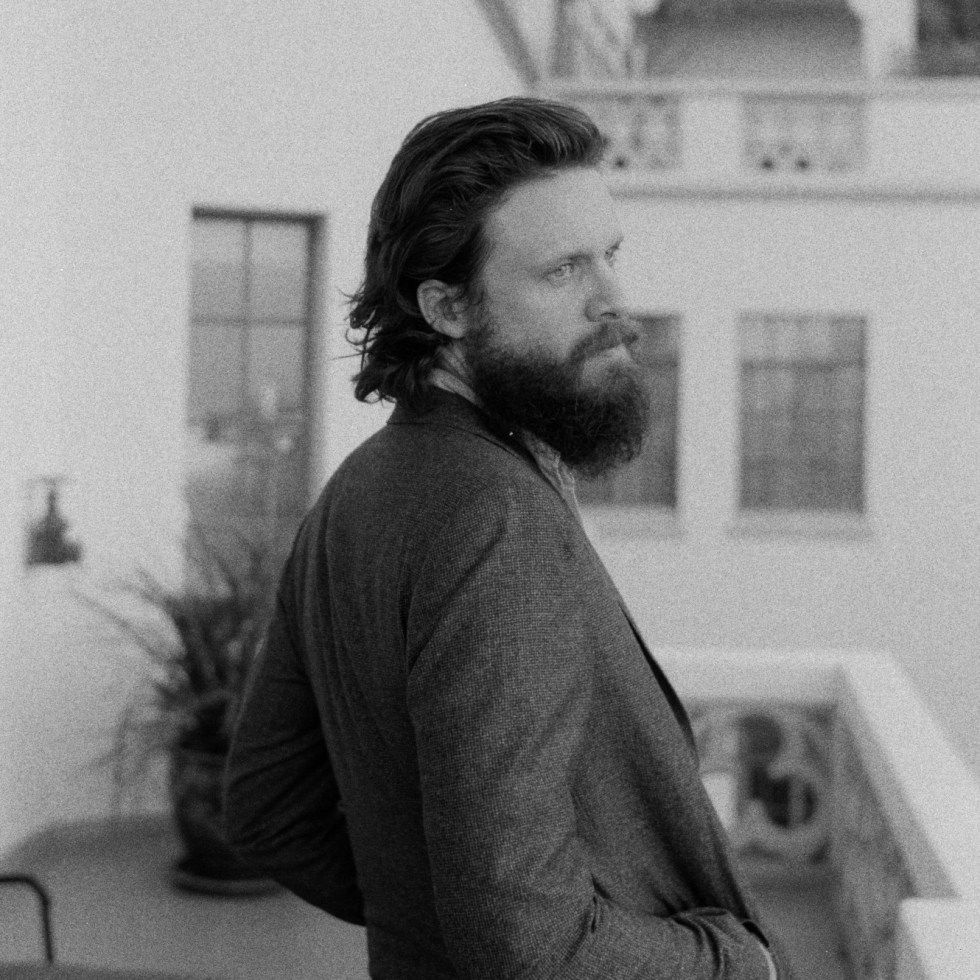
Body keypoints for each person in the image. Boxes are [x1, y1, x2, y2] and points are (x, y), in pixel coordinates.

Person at [224, 96, 788, 980]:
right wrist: (737, 967)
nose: (616, 303)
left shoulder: (354, 492)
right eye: (563, 271)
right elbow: (532, 951)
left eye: (611, 256)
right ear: (447, 306)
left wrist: (432, 919)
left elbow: (268, 812)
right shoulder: (495, 521)